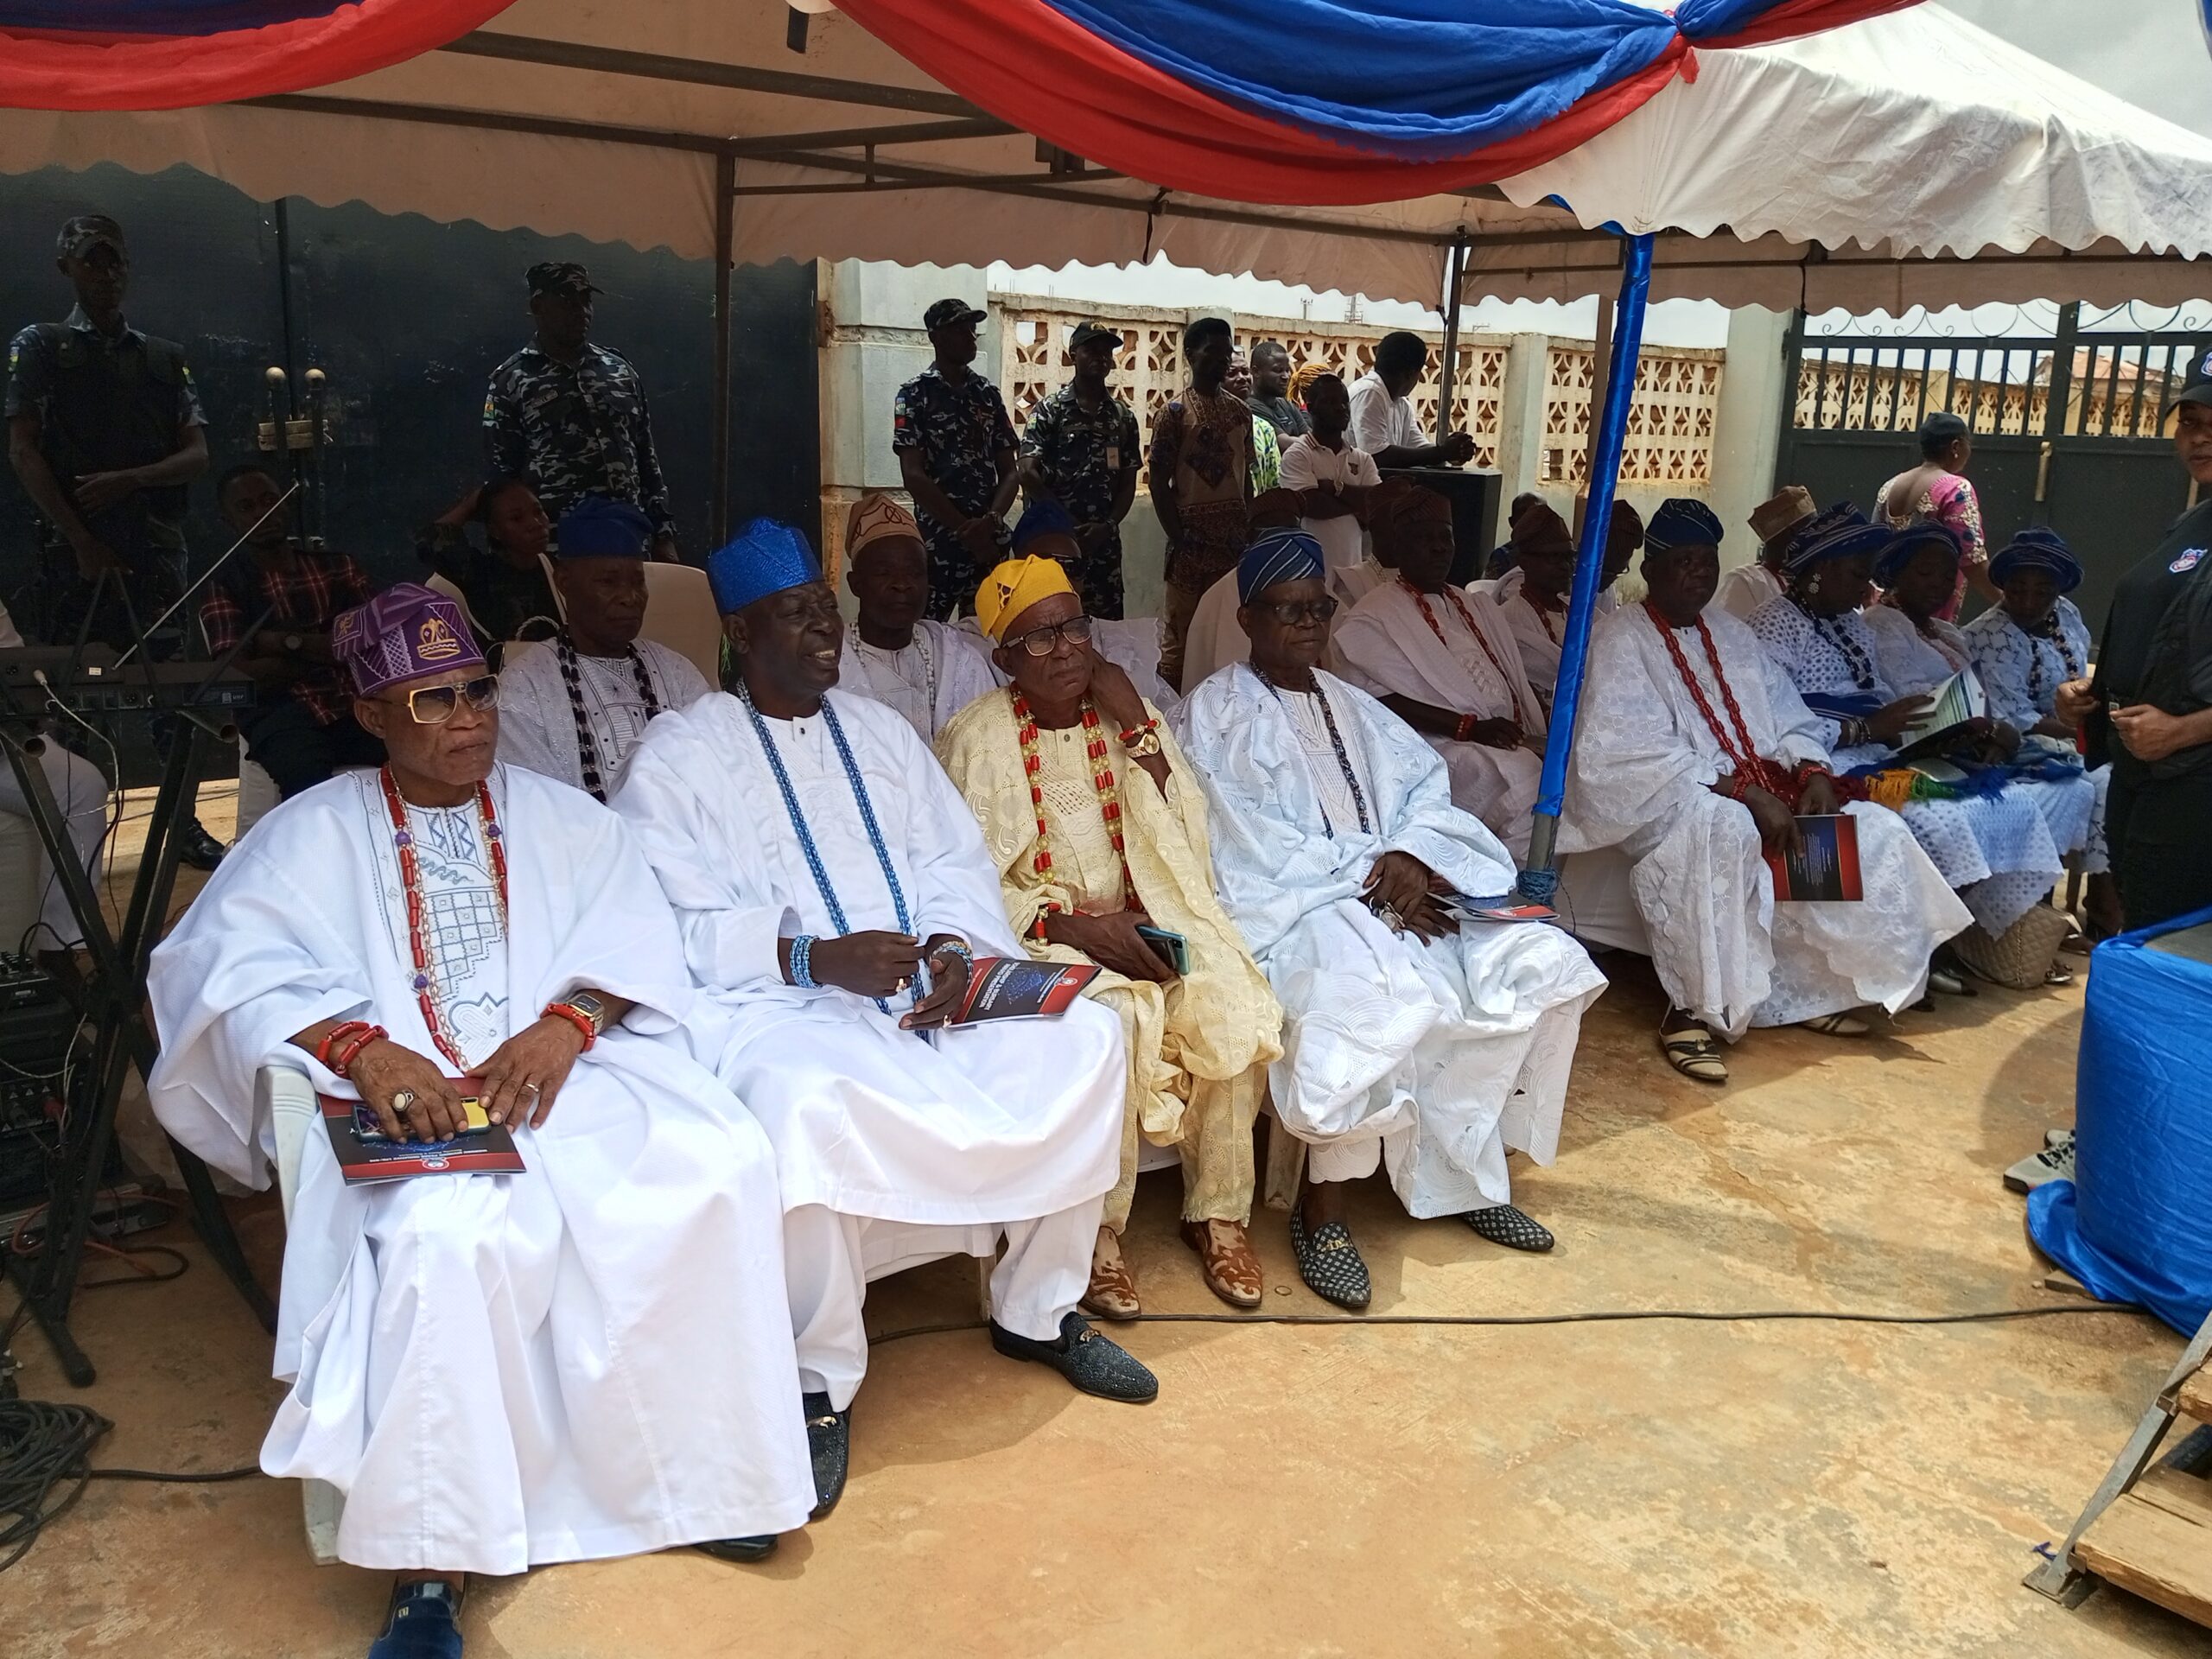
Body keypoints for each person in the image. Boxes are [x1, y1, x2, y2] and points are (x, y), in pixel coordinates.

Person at [145, 583, 818, 1658]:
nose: (464, 718)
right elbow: (220, 973)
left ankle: (696, 1484)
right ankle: (432, 1557)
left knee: (717, 1163)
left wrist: (568, 1023)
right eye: (429, 700)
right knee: (441, 1242)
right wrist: (360, 1049)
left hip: (566, 1084)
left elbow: (638, 940)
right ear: (370, 717)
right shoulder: (308, 832)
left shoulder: (563, 816)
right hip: (413, 1109)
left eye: (474, 691)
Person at [608, 520, 1159, 1513]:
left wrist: (952, 950)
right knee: (797, 1099)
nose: (826, 632)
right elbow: (664, 918)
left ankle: (1036, 1309)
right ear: (740, 631)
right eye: (800, 616)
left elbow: (952, 865)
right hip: (784, 1009)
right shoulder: (680, 755)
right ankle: (819, 1377)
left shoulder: (878, 733)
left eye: (827, 611)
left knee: (1086, 1037)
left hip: (930, 998)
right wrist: (813, 957)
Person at [1173, 531, 1607, 1303]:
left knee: (1539, 962)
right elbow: (1242, 845)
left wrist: (1412, 861)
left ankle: (1471, 1176)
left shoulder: (1353, 704)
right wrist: (1370, 886)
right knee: (1358, 992)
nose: (1308, 625)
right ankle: (1324, 1210)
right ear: (1246, 619)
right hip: (1300, 909)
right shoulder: (1214, 713)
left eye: (1318, 609)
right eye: (1287, 611)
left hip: (1403, 893)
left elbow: (1426, 793)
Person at [935, 555, 1281, 1316]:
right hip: (1038, 933)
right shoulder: (977, 737)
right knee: (1115, 1018)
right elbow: (964, 884)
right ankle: (1098, 1234)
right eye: (1037, 639)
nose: (1065, 650)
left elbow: (1189, 838)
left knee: (1226, 994)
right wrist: (1078, 927)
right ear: (1001, 660)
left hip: (1148, 917)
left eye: (1073, 628)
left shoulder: (1130, 720)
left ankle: (1218, 1217)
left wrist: (1136, 726)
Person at [1560, 500, 1971, 1084]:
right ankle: (1693, 1012)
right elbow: (1621, 752)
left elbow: (1789, 719)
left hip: (1759, 786)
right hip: (1666, 795)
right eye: (1683, 562)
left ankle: (1810, 994)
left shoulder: (1732, 634)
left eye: (1707, 561)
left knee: (1874, 830)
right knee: (1721, 828)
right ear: (1651, 571)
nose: (1699, 574)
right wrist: (1745, 793)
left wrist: (1814, 773)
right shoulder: (1620, 638)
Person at [1749, 507, 2080, 947]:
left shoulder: (1848, 622)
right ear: (1821, 570)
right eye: (1856, 575)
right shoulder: (1774, 623)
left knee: (1998, 804)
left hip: (1874, 751)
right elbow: (1770, 718)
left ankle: (1953, 943)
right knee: (1934, 821)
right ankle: (1887, 951)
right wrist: (1864, 729)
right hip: (1814, 758)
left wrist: (1932, 725)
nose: (1866, 588)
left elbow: (1882, 699)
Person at [6, 212, 222, 869]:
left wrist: (132, 479)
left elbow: (197, 454)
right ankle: (72, 831)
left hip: (153, 551)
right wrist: (79, 539)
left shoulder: (162, 357)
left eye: (117, 259)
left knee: (171, 698)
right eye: (94, 259)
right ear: (66, 265)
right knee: (70, 700)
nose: (109, 272)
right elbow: (22, 450)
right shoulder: (42, 346)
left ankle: (180, 827)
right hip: (76, 557)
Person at [2061, 365, 2212, 931]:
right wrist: (2092, 694)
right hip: (2143, 775)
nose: (2200, 437)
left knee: (2171, 945)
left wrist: (2185, 729)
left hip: (2196, 783)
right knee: (2148, 929)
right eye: (2191, 422)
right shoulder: (2192, 523)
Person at [1332, 483, 1547, 858]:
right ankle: (1513, 883)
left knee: (1560, 760)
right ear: (1400, 547)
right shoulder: (1373, 614)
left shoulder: (1471, 603)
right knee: (1525, 776)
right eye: (1423, 538)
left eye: (1444, 538)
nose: (1438, 548)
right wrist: (1467, 727)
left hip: (1497, 734)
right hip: (1427, 745)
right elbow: (1371, 701)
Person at [493, 496, 711, 801]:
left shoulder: (677, 673)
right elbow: (535, 807)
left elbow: (715, 782)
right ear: (564, 583)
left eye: (638, 582)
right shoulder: (524, 688)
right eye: (609, 582)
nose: (630, 597)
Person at [198, 463, 380, 801]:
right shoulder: (223, 585)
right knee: (307, 788)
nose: (262, 513)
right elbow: (238, 676)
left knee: (416, 752)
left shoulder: (339, 567)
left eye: (270, 501)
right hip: (280, 715)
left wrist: (281, 642)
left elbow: (372, 648)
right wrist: (329, 652)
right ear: (228, 522)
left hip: (356, 702)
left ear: (286, 504)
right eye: (246, 507)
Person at [1963, 528, 2114, 925]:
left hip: (2072, 734)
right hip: (2014, 743)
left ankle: (2104, 903)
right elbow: (2015, 718)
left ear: (2059, 591)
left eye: (2042, 591)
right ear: (2003, 586)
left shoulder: (2067, 614)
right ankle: (2083, 912)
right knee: (2103, 780)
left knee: (2128, 774)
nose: (2029, 600)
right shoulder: (1987, 635)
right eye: (2017, 589)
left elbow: (2082, 677)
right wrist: (2089, 731)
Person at [484, 263, 676, 558]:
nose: (581, 311)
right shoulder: (510, 382)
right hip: (559, 551)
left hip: (629, 543)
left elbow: (646, 460)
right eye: (567, 302)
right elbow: (504, 480)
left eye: (586, 301)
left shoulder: (620, 372)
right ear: (537, 305)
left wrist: (663, 535)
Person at [835, 493, 996, 741]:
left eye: (914, 572)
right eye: (883, 572)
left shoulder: (957, 656)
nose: (901, 584)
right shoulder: (832, 663)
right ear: (856, 584)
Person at [895, 297, 1018, 620]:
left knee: (989, 638)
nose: (970, 336)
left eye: (973, 329)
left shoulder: (987, 395)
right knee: (926, 638)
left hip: (988, 545)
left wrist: (991, 521)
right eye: (959, 329)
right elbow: (913, 475)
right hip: (940, 545)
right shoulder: (914, 395)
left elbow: (1011, 471)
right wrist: (965, 529)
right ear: (935, 336)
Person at [1149, 317, 1255, 690]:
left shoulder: (1241, 412)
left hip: (1232, 544)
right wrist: (1179, 538)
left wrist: (1248, 530)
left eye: (1227, 353)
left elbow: (1248, 479)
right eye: (1212, 351)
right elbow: (1158, 482)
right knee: (1181, 636)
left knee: (1229, 631)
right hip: (1191, 545)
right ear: (1191, 354)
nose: (1222, 360)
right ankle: (1172, 715)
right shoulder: (1174, 413)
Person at [1015, 320, 1141, 620]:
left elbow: (1127, 481)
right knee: (1050, 619)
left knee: (1106, 631)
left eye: (1106, 352)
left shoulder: (1123, 417)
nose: (1101, 357)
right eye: (1092, 350)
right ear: (1073, 354)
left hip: (1102, 547)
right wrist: (1064, 521)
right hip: (1055, 543)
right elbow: (1027, 472)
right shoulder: (1050, 410)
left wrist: (1108, 526)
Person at [415, 474, 563, 657]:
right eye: (516, 518)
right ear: (494, 530)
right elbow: (429, 542)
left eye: (538, 511)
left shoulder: (554, 567)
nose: (536, 524)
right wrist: (471, 504)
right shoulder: (478, 574)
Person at [1875, 412, 1994, 619]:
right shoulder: (1956, 489)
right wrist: (2004, 600)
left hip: (1888, 608)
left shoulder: (1890, 486)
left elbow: (1874, 547)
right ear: (1956, 447)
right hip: (1929, 609)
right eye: (1968, 445)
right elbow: (1972, 560)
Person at [1277, 371, 1380, 582]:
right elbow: (1312, 506)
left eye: (1344, 402)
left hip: (1353, 575)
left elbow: (1377, 505)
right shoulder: (1298, 454)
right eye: (1330, 401)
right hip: (1310, 573)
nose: (1341, 408)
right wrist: (1358, 504)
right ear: (1311, 407)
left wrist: (1335, 488)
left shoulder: (1362, 459)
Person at [1347, 332, 1477, 472]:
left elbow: (1419, 448)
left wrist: (1452, 451)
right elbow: (1377, 456)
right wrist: (1442, 452)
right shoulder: (1370, 393)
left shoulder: (1401, 404)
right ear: (1411, 373)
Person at [1719, 486, 1815, 622]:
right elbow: (1730, 635)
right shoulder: (1746, 581)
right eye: (1812, 529)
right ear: (1793, 533)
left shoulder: (1810, 580)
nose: (1818, 537)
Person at [1226, 347, 1284, 492]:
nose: (1241, 378)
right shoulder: (1210, 426)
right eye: (1231, 373)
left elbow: (1274, 483)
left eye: (1245, 372)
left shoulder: (1264, 429)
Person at [1245, 340, 1309, 442]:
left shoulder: (1285, 404)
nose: (1286, 376)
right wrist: (1302, 441)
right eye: (1278, 370)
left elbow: (1311, 437)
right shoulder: (1251, 407)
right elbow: (1284, 443)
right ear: (1256, 372)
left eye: (1287, 370)